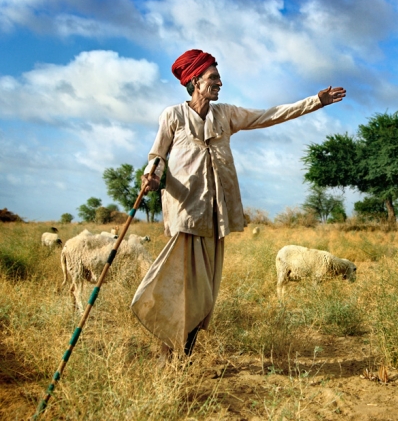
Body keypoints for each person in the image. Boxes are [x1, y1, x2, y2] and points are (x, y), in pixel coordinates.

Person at [131, 49, 346, 363]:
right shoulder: (173, 116)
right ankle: (169, 350)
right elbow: (157, 156)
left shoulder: (226, 114)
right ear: (194, 80)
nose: (219, 83)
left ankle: (182, 353)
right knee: (182, 287)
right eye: (213, 77)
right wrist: (151, 175)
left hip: (215, 217)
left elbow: (269, 115)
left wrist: (315, 101)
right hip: (185, 215)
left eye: (218, 77)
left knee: (204, 293)